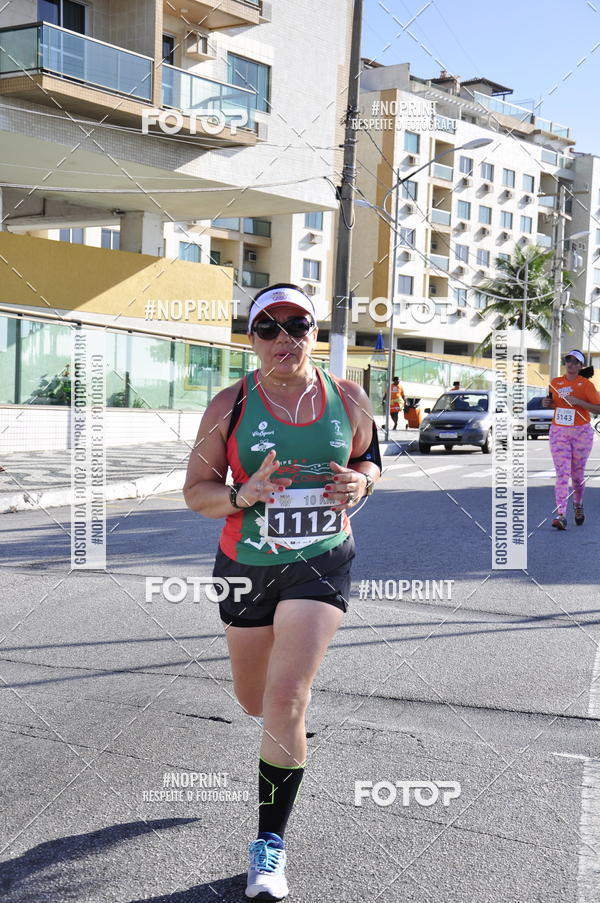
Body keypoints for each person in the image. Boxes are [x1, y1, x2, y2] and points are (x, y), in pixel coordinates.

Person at [183, 283, 381, 900]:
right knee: (254, 701)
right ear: (251, 338)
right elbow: (197, 492)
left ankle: (269, 845)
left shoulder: (346, 396)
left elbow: (372, 459)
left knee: (287, 695)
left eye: (297, 325)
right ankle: (283, 724)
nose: (283, 338)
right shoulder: (229, 404)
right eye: (268, 327)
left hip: (320, 561)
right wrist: (244, 494)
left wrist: (361, 485)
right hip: (246, 566)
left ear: (315, 332)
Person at [542, 349, 600, 529]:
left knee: (577, 475)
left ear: (580, 366)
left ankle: (578, 503)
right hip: (559, 431)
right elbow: (552, 402)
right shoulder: (555, 382)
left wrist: (579, 402)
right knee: (562, 473)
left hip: (581, 432)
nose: (571, 364)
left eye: (575, 362)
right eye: (568, 360)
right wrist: (547, 404)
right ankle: (561, 515)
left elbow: (598, 408)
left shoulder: (586, 385)